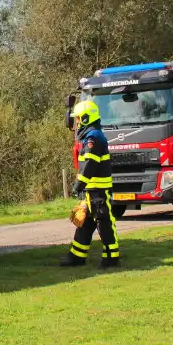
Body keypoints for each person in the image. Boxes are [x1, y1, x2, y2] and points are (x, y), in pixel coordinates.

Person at [61, 100, 120, 268]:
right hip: (91, 191)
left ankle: (111, 257)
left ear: (86, 119)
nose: (76, 122)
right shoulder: (91, 136)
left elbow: (90, 165)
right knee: (85, 223)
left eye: (78, 118)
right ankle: (77, 256)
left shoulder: (93, 138)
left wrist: (78, 184)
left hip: (99, 192)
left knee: (104, 223)